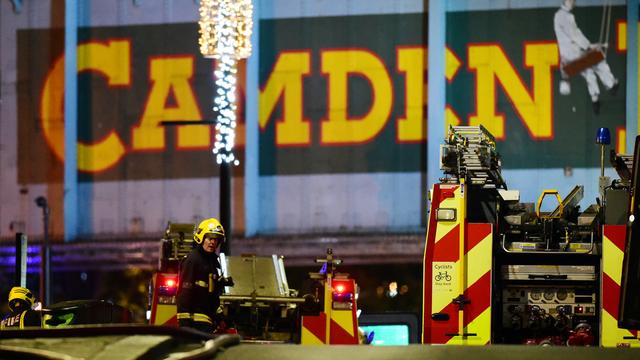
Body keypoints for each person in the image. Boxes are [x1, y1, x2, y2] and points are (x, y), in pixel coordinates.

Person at [554, 0, 618, 114]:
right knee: (598, 59)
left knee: (589, 72)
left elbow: (573, 37)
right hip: (573, 58)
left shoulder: (561, 16)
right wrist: (589, 46)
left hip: (568, 62)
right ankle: (611, 84)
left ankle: (595, 100)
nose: (574, 2)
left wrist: (590, 46)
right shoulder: (564, 16)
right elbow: (575, 35)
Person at [176, 218, 233, 334]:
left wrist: (221, 318)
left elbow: (212, 296)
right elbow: (184, 292)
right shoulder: (193, 260)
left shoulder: (212, 263)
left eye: (216, 240)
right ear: (201, 238)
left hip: (207, 322)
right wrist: (184, 323)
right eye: (210, 238)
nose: (213, 242)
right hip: (195, 322)